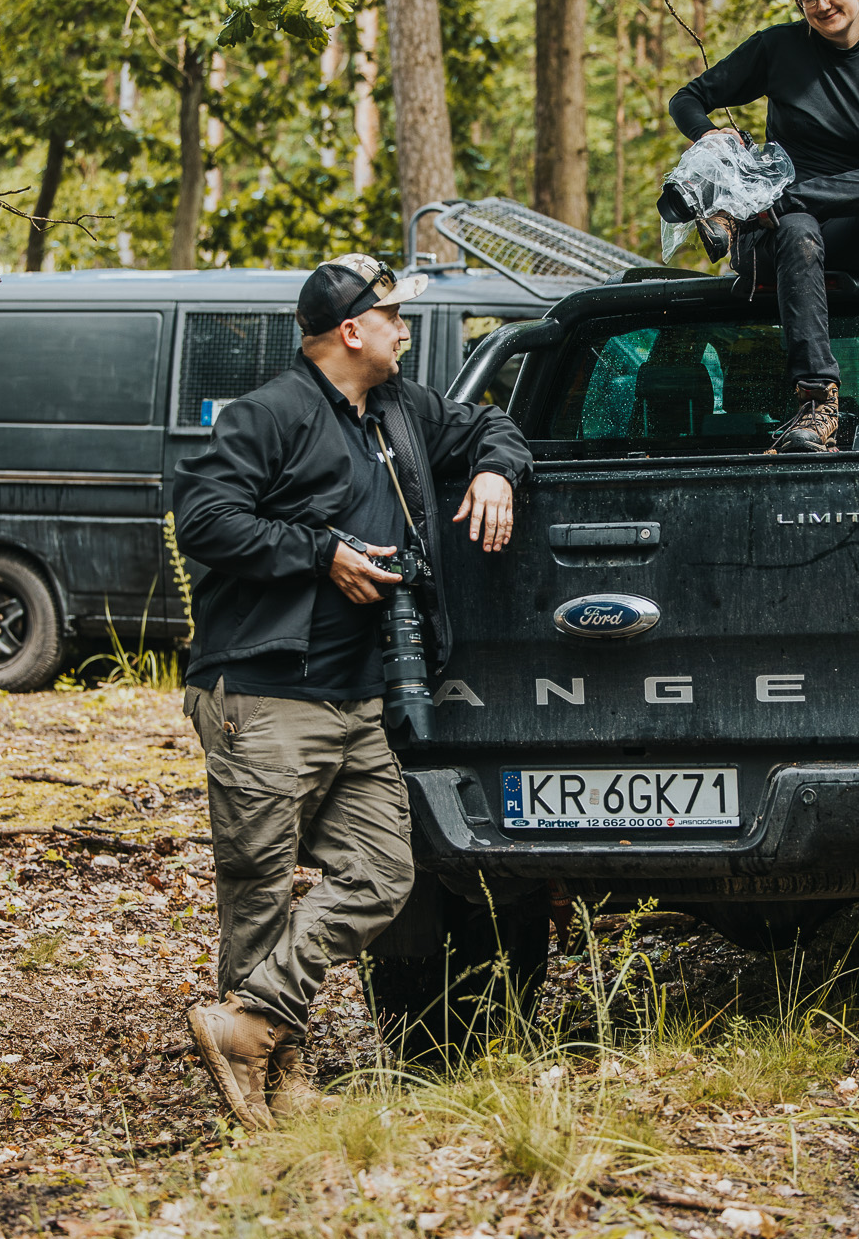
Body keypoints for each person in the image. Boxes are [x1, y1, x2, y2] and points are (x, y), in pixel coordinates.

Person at [172, 253, 530, 1130]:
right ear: (351, 330)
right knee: (259, 891)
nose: (404, 329)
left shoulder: (401, 409)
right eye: (393, 316)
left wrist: (494, 469)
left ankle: (248, 1024)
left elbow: (492, 423)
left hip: (360, 698)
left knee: (382, 870)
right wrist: (318, 550)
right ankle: (276, 1074)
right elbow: (204, 518)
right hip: (265, 693)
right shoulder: (270, 414)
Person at [664, 0, 859, 453]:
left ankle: (772, 207)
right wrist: (708, 136)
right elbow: (688, 98)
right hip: (786, 241)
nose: (821, 4)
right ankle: (816, 404)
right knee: (797, 228)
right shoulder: (778, 47)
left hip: (855, 230)